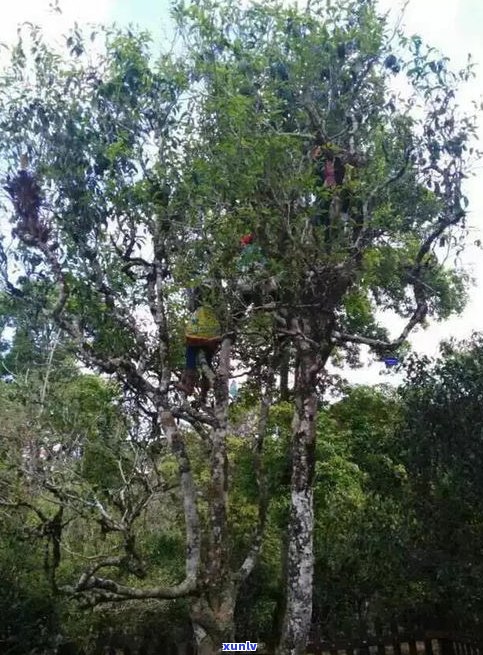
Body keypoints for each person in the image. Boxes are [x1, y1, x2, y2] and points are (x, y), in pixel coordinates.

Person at [178, 304, 222, 399]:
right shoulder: (217, 301)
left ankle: (190, 385)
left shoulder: (199, 297)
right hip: (212, 333)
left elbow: (192, 304)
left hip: (202, 330)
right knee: (208, 359)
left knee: (191, 350)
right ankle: (204, 392)